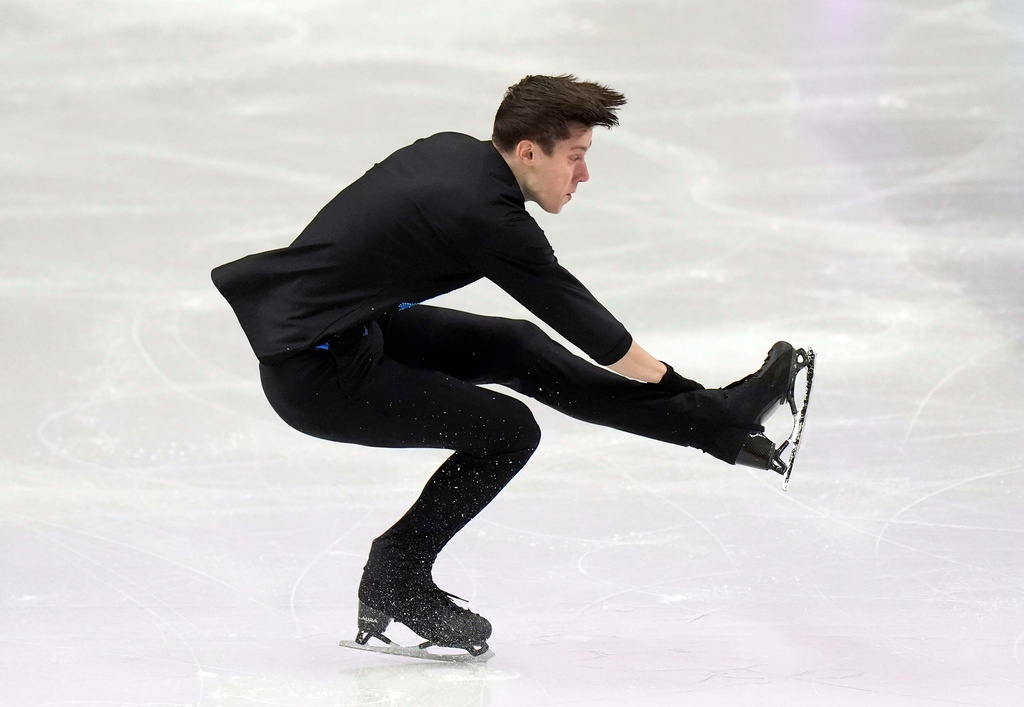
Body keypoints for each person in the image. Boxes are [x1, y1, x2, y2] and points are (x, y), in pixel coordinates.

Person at [211, 74, 812, 659]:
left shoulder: (453, 155)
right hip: (316, 376)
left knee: (519, 347)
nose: (583, 174)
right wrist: (674, 382)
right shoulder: (487, 217)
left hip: (350, 332)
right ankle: (396, 572)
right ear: (529, 150)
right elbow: (589, 326)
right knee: (508, 432)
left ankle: (719, 425)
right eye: (574, 156)